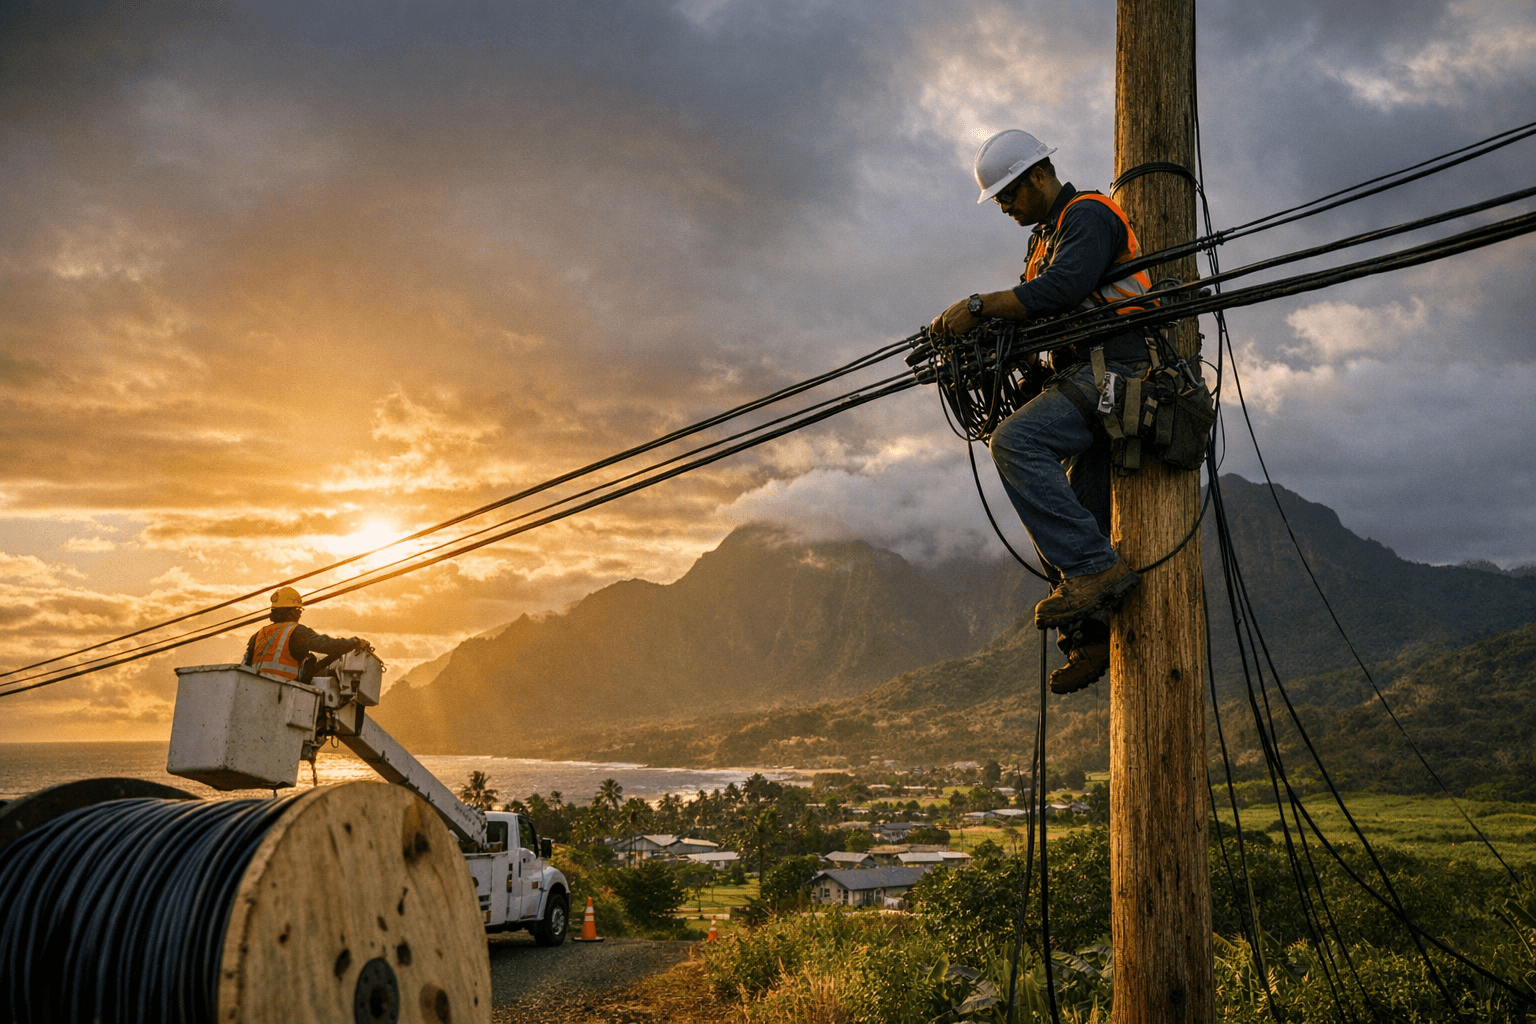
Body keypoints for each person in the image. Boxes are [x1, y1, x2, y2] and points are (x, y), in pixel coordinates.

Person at [929, 129, 1156, 694]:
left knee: (1014, 442)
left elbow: (1060, 291)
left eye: (1008, 195)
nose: (1004, 208)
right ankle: (1090, 636)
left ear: (1038, 176)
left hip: (1119, 369)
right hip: (1084, 377)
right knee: (1073, 513)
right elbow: (1035, 314)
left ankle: (1094, 573)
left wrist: (978, 307)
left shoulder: (1088, 216)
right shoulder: (1043, 241)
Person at [244, 586, 372, 683]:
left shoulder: (258, 635)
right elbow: (327, 645)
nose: (300, 613)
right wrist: (355, 642)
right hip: (284, 692)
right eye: (298, 609)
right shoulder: (296, 631)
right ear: (289, 612)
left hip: (254, 691)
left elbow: (245, 666)